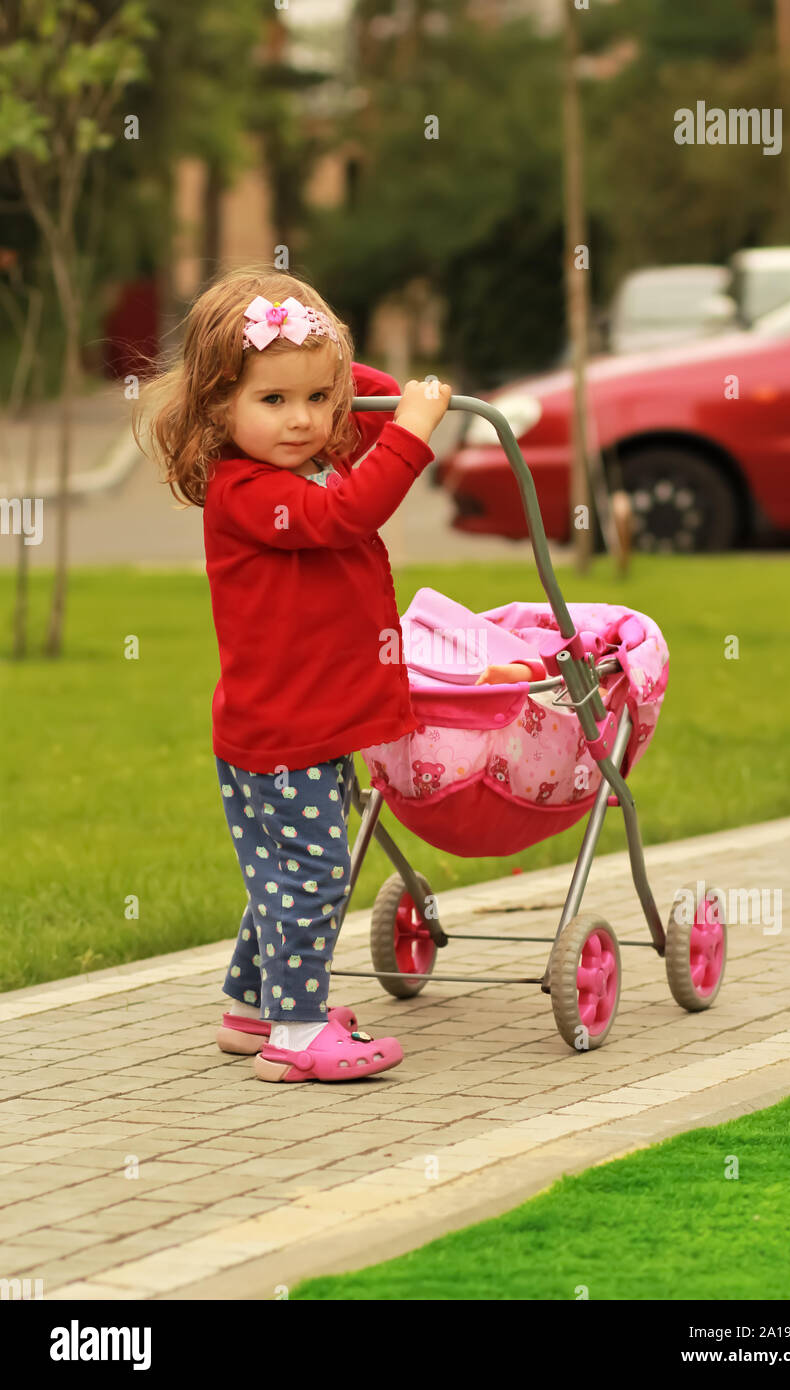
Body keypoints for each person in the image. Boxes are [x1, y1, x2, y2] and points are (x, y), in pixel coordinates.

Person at [134, 266, 452, 1084]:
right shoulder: (248, 491)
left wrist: (342, 372)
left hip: (286, 725)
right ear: (218, 407)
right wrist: (412, 432)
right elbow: (346, 513)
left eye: (318, 399)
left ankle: (251, 1010)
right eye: (274, 401)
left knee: (284, 870)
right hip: (283, 735)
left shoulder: (299, 449)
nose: (305, 421)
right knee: (313, 876)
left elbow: (350, 405)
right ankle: (300, 1033)